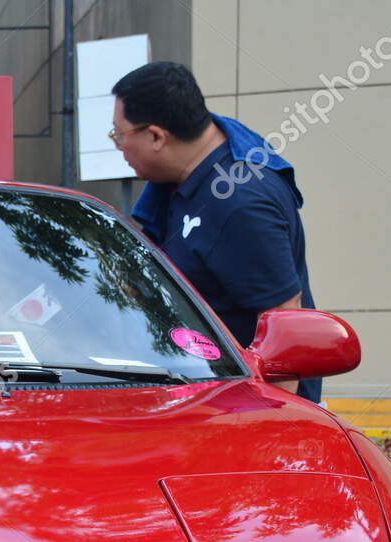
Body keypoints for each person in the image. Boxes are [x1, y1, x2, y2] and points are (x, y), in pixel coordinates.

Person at [110, 61, 322, 401]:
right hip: (197, 396)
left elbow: (285, 316)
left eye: (120, 134)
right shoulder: (184, 176)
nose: (118, 146)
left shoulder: (240, 202)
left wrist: (279, 419)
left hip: (245, 412)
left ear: (156, 136)